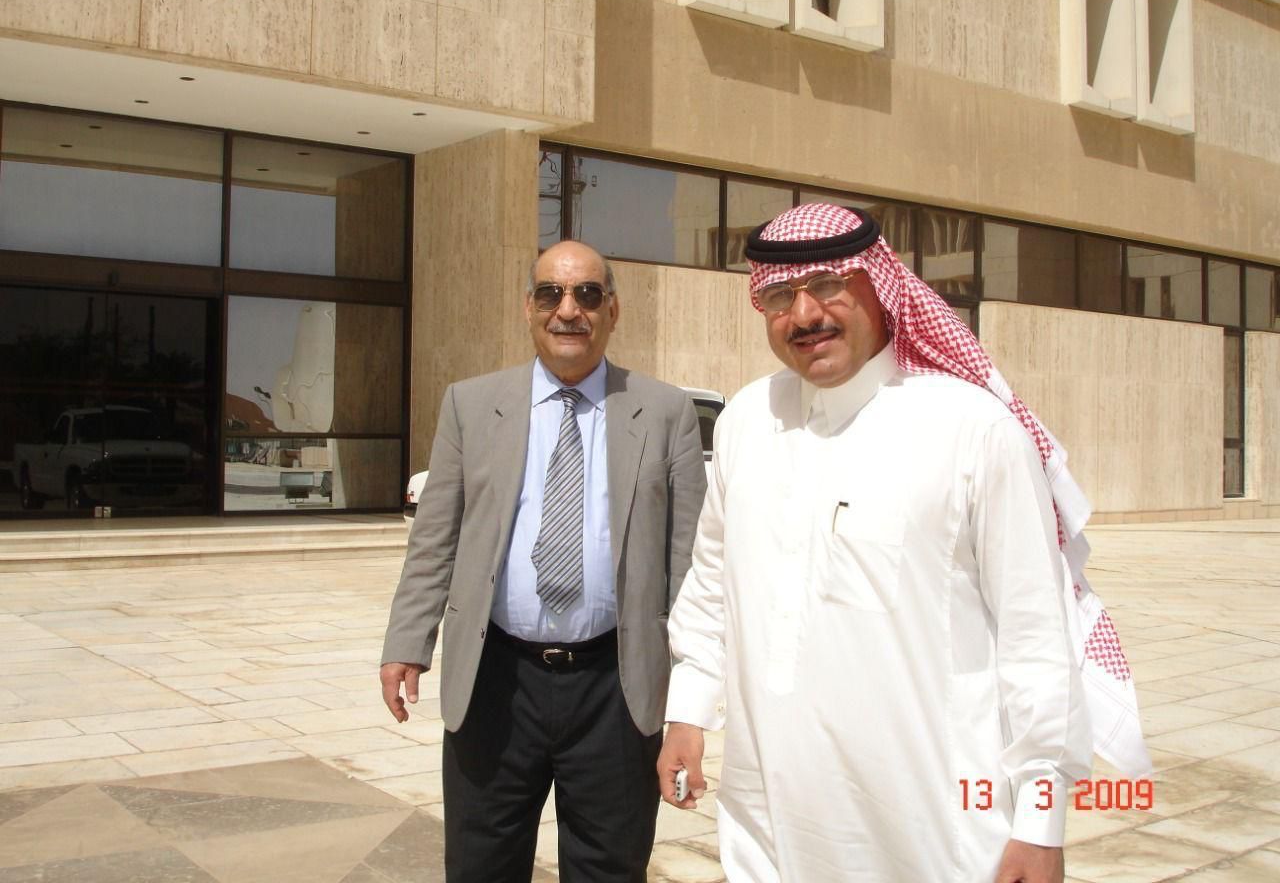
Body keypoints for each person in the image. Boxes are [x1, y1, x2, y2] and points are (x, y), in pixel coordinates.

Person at [656, 204, 1149, 883]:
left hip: (934, 834)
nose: (804, 315)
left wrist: (1040, 823)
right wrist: (687, 713)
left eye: (828, 285)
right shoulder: (746, 420)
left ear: (880, 286)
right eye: (778, 296)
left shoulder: (972, 429)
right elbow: (711, 584)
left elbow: (1036, 638)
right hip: (771, 821)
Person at [380, 239, 706, 882]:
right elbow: (435, 538)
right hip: (496, 679)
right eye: (551, 294)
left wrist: (692, 697)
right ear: (528, 307)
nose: (569, 310)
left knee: (611, 869)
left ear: (613, 310)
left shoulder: (665, 412)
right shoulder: (471, 405)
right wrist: (407, 641)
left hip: (617, 685)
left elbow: (688, 562)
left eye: (588, 294)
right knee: (481, 865)